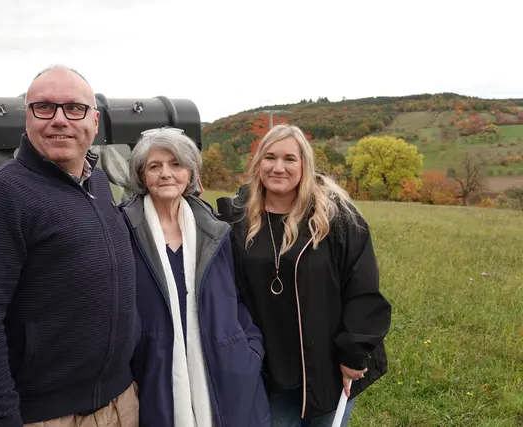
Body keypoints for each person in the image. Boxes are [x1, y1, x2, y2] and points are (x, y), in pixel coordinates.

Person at [0, 65, 139, 427]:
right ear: (28, 117)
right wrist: (1, 419)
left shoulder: (98, 183)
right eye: (45, 107)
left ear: (94, 121)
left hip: (123, 402)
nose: (60, 119)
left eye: (74, 108)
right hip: (48, 416)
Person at [221, 124, 392, 427]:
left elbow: (362, 288)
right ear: (258, 163)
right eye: (270, 157)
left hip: (328, 368)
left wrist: (354, 353)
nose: (278, 167)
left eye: (290, 159)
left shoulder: (336, 218)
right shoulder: (237, 219)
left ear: (305, 165)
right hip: (270, 371)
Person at [120, 128, 271, 426]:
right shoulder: (123, 230)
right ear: (142, 175)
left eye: (176, 164)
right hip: (152, 373)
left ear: (189, 172)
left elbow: (236, 297)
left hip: (226, 370)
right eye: (155, 166)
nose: (166, 173)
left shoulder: (215, 231)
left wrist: (249, 349)